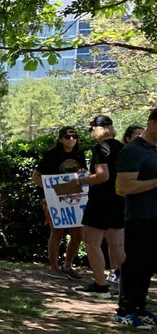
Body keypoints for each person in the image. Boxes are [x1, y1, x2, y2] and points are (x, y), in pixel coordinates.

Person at [70, 115, 126, 296]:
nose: (92, 132)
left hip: (101, 201)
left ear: (100, 129)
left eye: (92, 128)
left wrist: (81, 181)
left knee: (91, 242)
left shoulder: (101, 148)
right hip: (120, 199)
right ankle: (128, 288)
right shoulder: (123, 147)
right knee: (117, 245)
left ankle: (100, 286)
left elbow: (102, 176)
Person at [112, 109, 157, 328]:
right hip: (140, 217)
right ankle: (125, 310)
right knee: (135, 264)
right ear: (153, 123)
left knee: (148, 265)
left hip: (155, 215)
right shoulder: (133, 151)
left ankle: (139, 308)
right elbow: (123, 186)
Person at [32, 126, 86, 280]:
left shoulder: (79, 153)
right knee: (57, 232)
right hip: (54, 199)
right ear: (60, 139)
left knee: (78, 234)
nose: (72, 140)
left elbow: (83, 173)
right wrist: (49, 191)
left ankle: (67, 266)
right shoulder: (52, 154)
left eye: (74, 137)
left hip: (74, 198)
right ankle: (54, 267)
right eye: (68, 137)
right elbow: (36, 176)